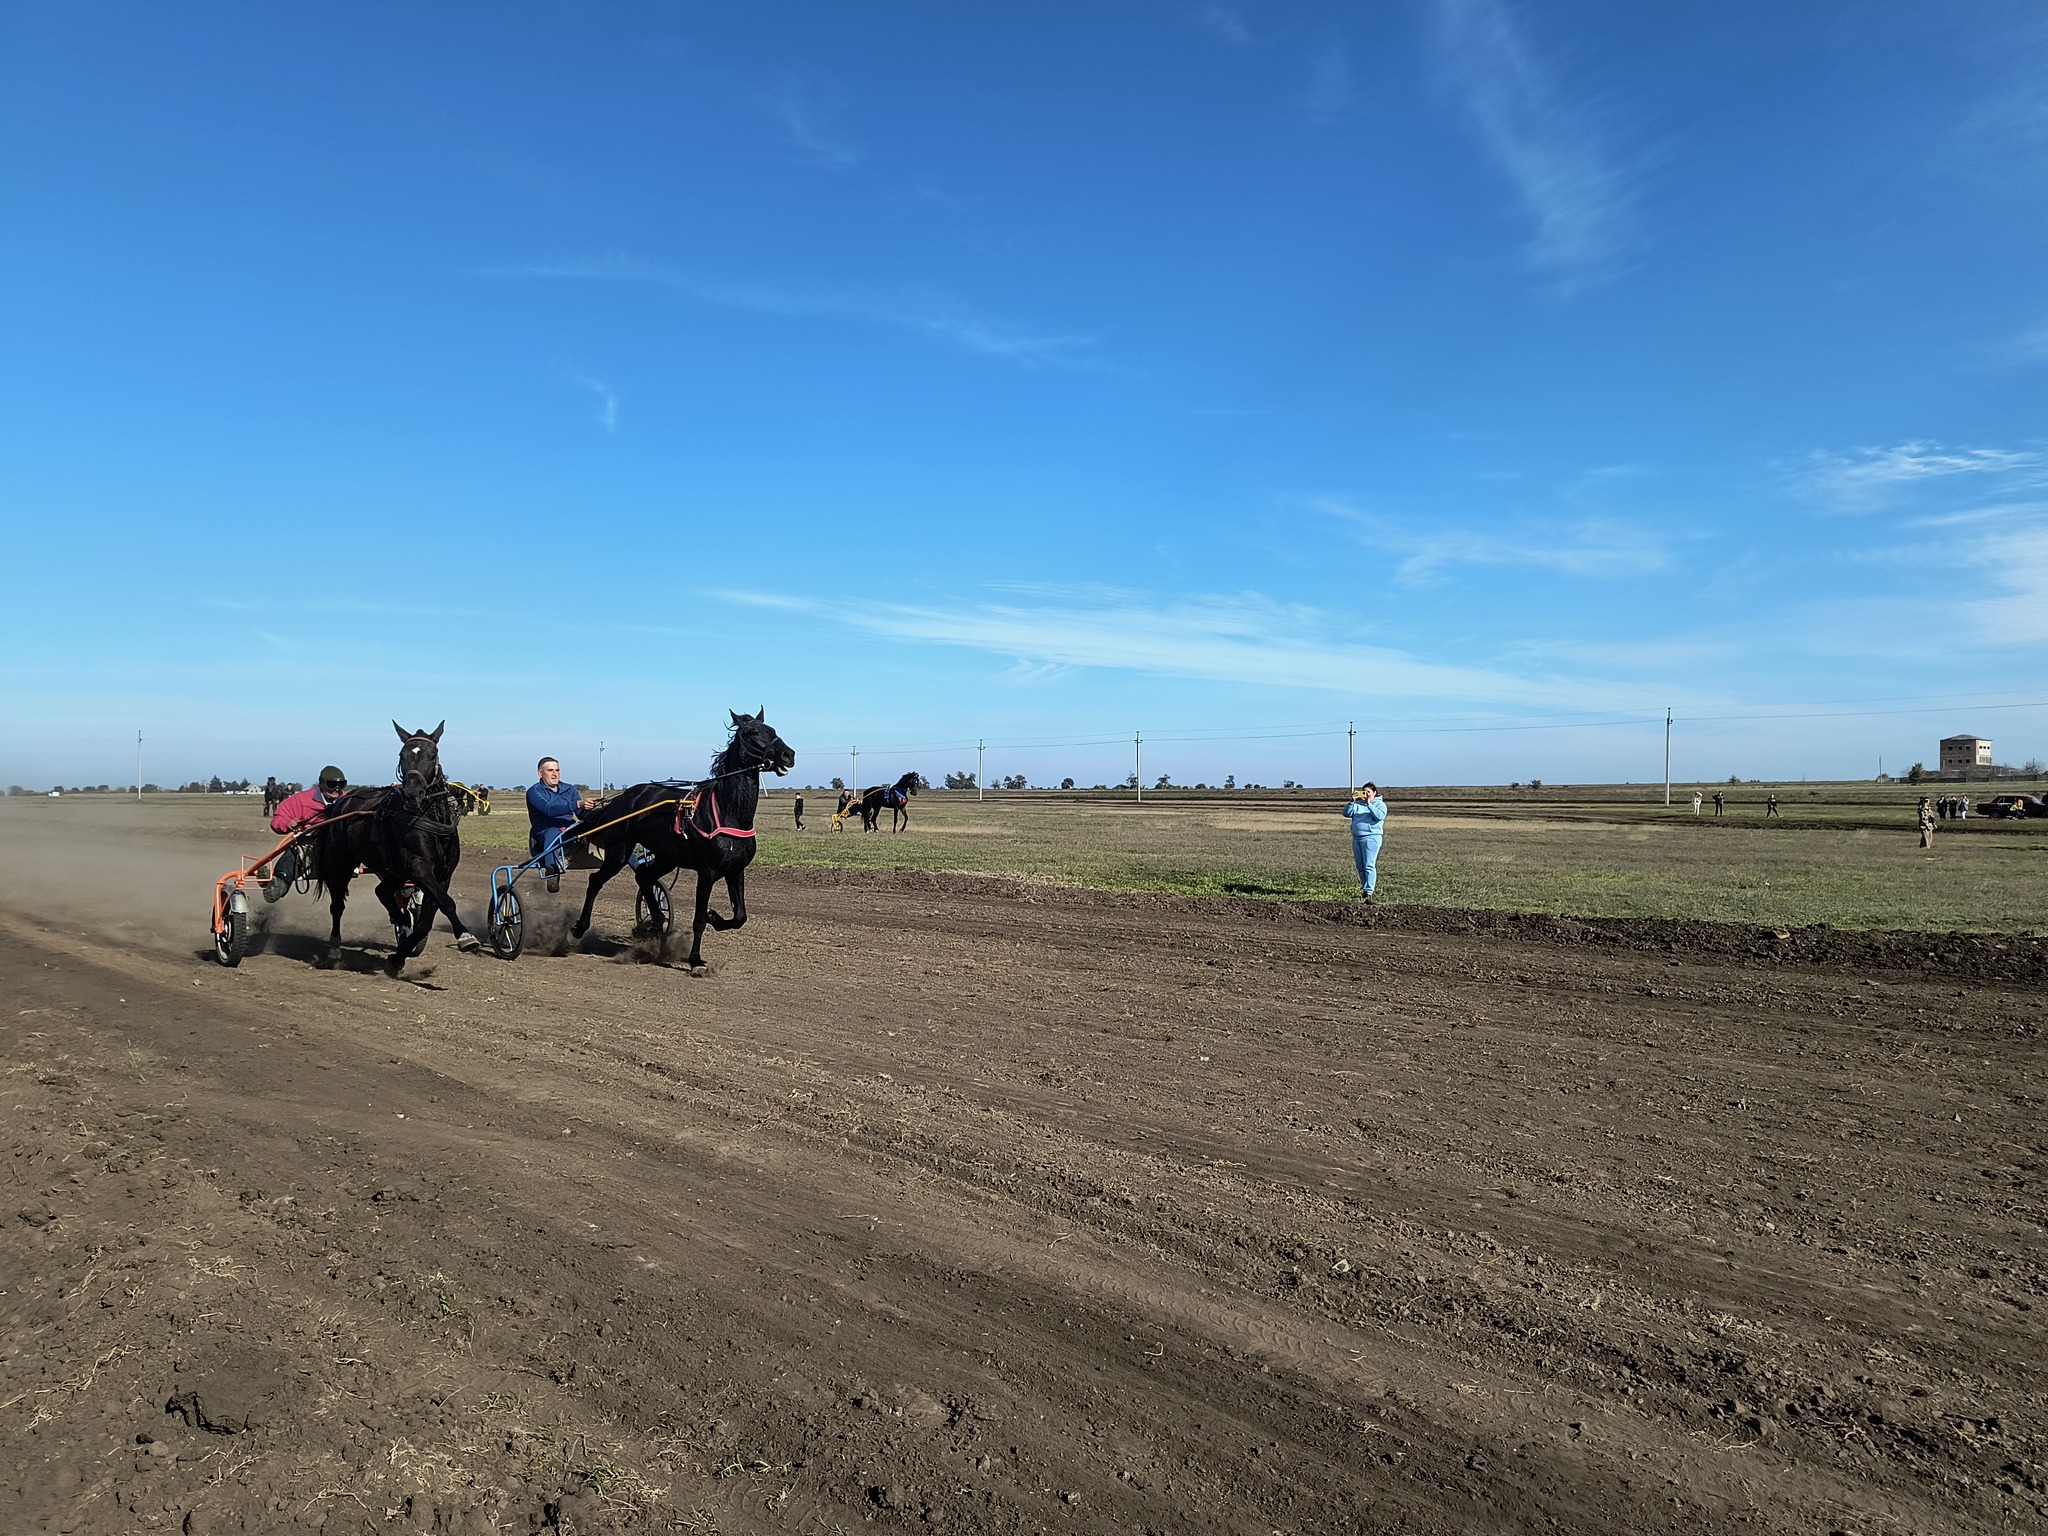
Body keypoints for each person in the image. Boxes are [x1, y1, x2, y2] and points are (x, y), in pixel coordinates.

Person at [527, 757, 595, 893]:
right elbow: (549, 809)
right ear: (540, 773)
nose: (555, 774)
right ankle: (552, 871)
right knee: (553, 833)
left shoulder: (569, 789)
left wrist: (594, 811)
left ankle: (635, 865)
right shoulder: (534, 792)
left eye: (557, 770)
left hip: (570, 829)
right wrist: (577, 803)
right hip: (545, 832)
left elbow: (581, 814)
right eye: (550, 770)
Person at [268, 767, 348, 883]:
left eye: (341, 785)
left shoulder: (349, 801)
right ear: (321, 784)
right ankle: (279, 882)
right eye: (331, 784)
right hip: (308, 845)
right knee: (295, 852)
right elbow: (277, 821)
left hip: (340, 847)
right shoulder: (300, 800)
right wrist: (287, 824)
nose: (336, 789)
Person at [1342, 782, 1388, 899]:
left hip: (1371, 837)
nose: (1366, 794)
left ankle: (1369, 891)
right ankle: (1364, 889)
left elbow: (1379, 816)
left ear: (1374, 793)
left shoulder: (1380, 805)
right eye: (1364, 792)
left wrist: (1369, 805)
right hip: (1357, 837)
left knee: (1369, 865)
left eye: (1368, 792)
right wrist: (1352, 802)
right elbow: (1346, 813)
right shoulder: (1358, 805)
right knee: (1360, 866)